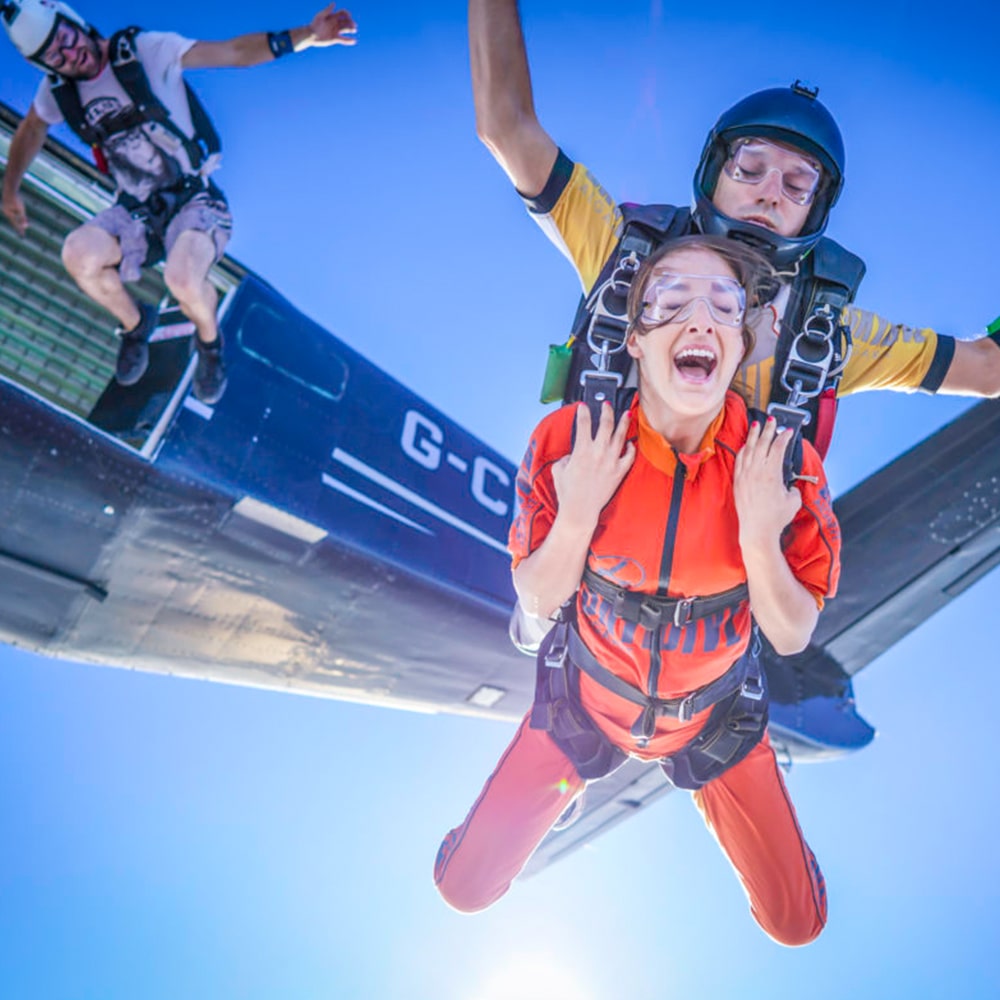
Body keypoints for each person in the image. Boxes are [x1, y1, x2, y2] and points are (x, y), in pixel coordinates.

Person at [468, 0, 1000, 748]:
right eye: (750, 168)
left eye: (796, 184)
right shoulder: (627, 254)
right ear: (714, 174)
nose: (768, 192)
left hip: (717, 576)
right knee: (544, 609)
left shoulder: (829, 333)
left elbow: (985, 369)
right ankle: (542, 613)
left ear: (816, 211)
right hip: (601, 528)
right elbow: (505, 126)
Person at [434, 234, 840, 946]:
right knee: (463, 890)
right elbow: (536, 596)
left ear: (741, 347)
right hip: (583, 710)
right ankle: (559, 791)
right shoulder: (570, 440)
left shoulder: (784, 466)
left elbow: (790, 634)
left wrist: (757, 535)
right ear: (637, 338)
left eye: (724, 305)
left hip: (715, 727)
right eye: (671, 300)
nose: (700, 321)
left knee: (797, 924)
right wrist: (581, 510)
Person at [0, 0, 357, 405]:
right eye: (54, 57)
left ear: (76, 24)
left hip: (194, 200)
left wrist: (307, 35)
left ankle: (209, 344)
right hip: (136, 211)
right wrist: (10, 189)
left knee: (183, 279)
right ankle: (136, 325)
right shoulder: (57, 92)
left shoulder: (144, 50)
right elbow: (31, 130)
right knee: (77, 254)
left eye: (65, 40)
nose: (69, 55)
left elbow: (234, 53)